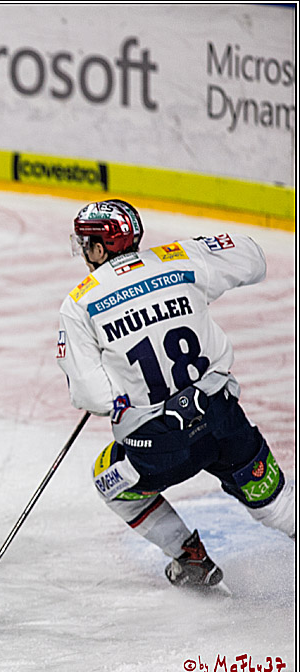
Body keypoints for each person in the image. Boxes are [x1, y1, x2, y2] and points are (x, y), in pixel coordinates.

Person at [56, 198, 295, 588]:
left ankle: (191, 558)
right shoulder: (179, 257)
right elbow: (253, 258)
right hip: (222, 418)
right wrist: (199, 252)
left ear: (100, 248)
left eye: (86, 245)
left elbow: (93, 396)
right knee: (277, 505)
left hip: (160, 447)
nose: (83, 253)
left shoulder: (79, 304)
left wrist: (119, 385)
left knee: (108, 480)